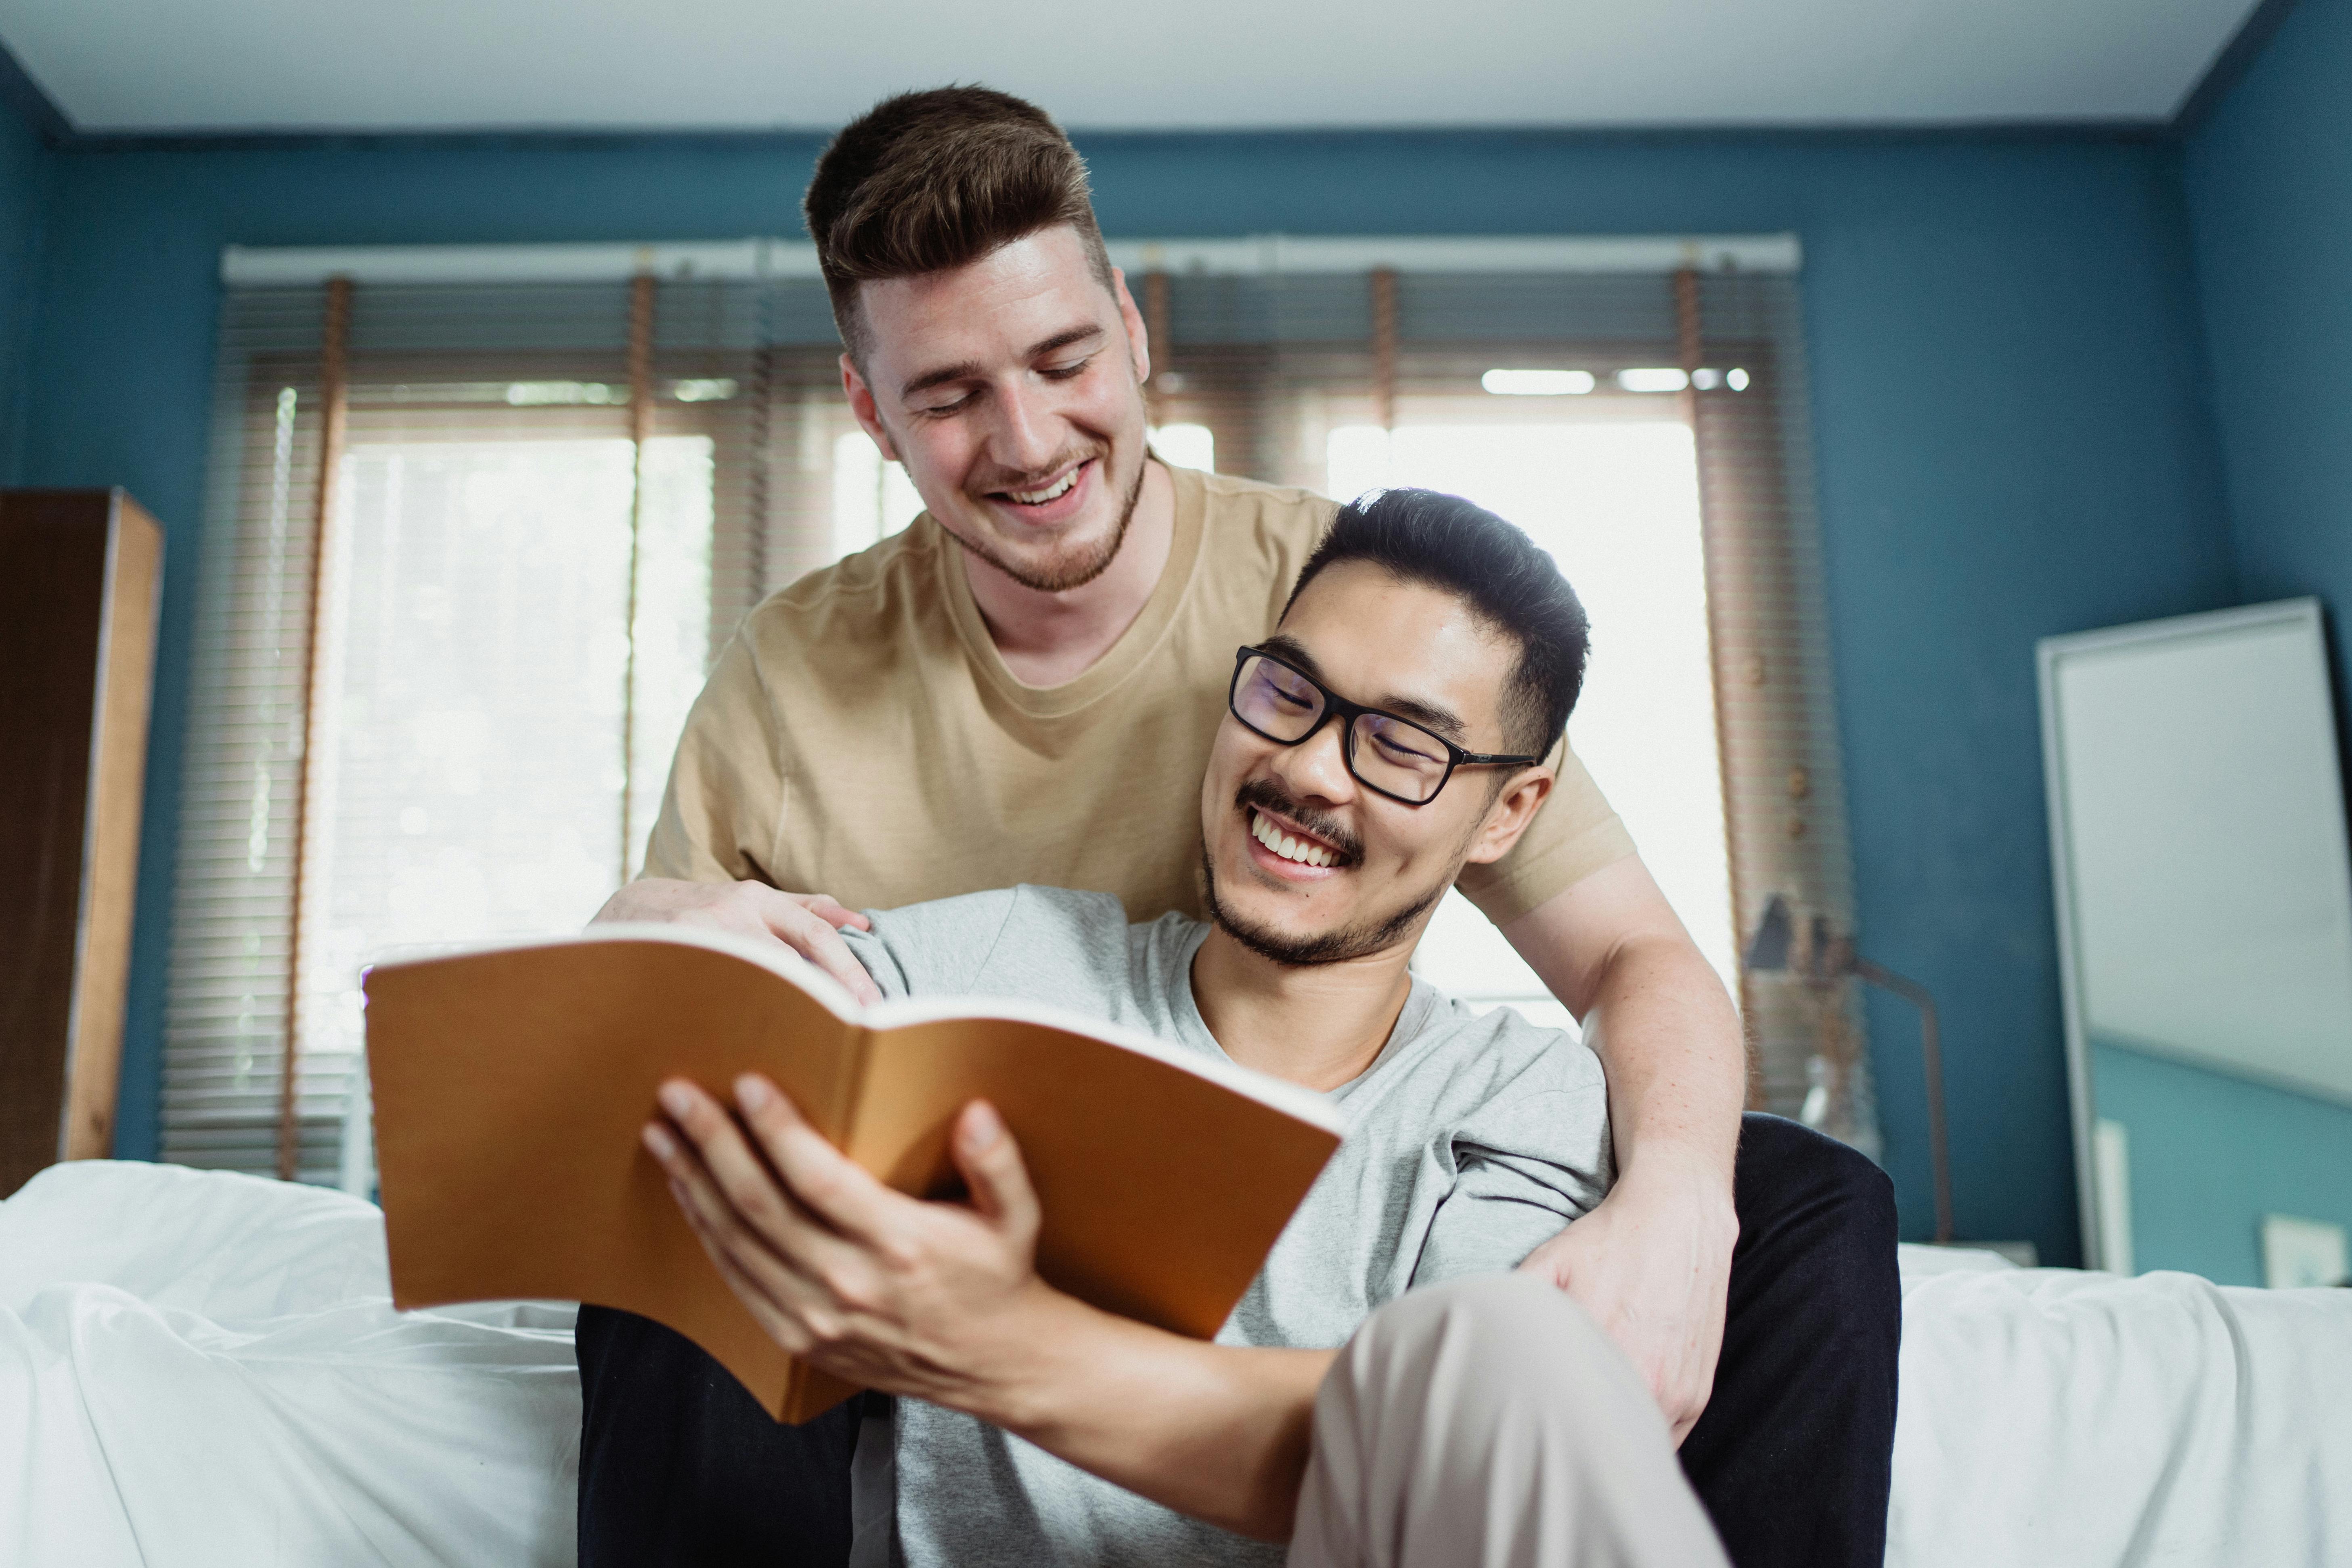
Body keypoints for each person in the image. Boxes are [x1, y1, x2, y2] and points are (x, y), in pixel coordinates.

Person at [580, 85, 1898, 1568]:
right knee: (687, 1181)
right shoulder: (796, 673)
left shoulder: (1336, 600)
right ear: (871, 410)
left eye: (1064, 359)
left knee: (1795, 1193)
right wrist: (639, 932)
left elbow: (1634, 959)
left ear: (1132, 334)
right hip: (955, 1195)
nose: (1025, 439)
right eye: (948, 396)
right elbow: (659, 1023)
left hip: (1290, 1189)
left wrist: (1675, 1213)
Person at [639, 489, 1733, 1568]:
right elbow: (680, 1029)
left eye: (1402, 746)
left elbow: (1466, 1456)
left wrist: (1001, 1346)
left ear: (1508, 813)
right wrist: (646, 923)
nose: (1307, 769)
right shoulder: (1000, 968)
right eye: (1288, 692)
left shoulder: (1520, 1099)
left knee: (1509, 1356)